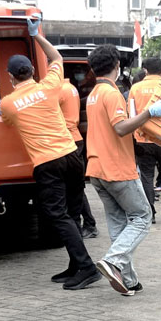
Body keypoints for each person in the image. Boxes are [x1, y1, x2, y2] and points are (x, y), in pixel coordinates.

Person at [0, 15, 101, 290]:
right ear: (32, 71)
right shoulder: (49, 86)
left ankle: (87, 267)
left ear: (10, 77)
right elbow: (56, 58)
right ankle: (75, 265)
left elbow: (7, 121)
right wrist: (36, 36)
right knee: (72, 213)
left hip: (48, 163)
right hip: (71, 156)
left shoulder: (9, 103)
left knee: (58, 216)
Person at [85, 44, 161, 296]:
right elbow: (121, 128)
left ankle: (128, 280)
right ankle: (113, 261)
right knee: (142, 217)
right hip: (117, 169)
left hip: (97, 169)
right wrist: (148, 114)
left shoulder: (93, 94)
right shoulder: (112, 94)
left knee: (119, 225)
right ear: (117, 66)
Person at [128, 57, 161, 222]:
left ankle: (150, 210)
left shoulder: (135, 88)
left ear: (145, 70)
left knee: (147, 175)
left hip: (143, 140)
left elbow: (132, 115)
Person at [58, 78, 98, 239]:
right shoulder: (70, 87)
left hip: (68, 140)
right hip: (74, 138)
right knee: (75, 186)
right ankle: (86, 224)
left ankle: (89, 224)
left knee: (75, 187)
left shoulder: (58, 91)